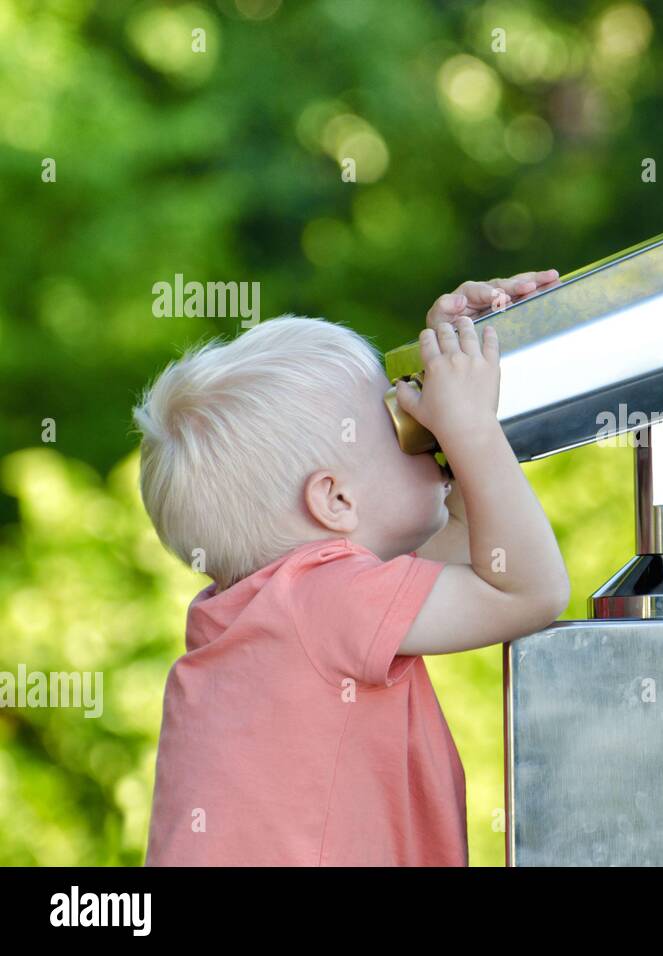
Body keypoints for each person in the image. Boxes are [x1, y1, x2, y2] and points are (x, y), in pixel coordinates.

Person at [133, 270, 569, 865]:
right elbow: (530, 591)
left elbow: (477, 548)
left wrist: (450, 352)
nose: (424, 426)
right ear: (334, 499)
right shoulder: (323, 599)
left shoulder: (271, 609)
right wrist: (469, 426)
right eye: (398, 417)